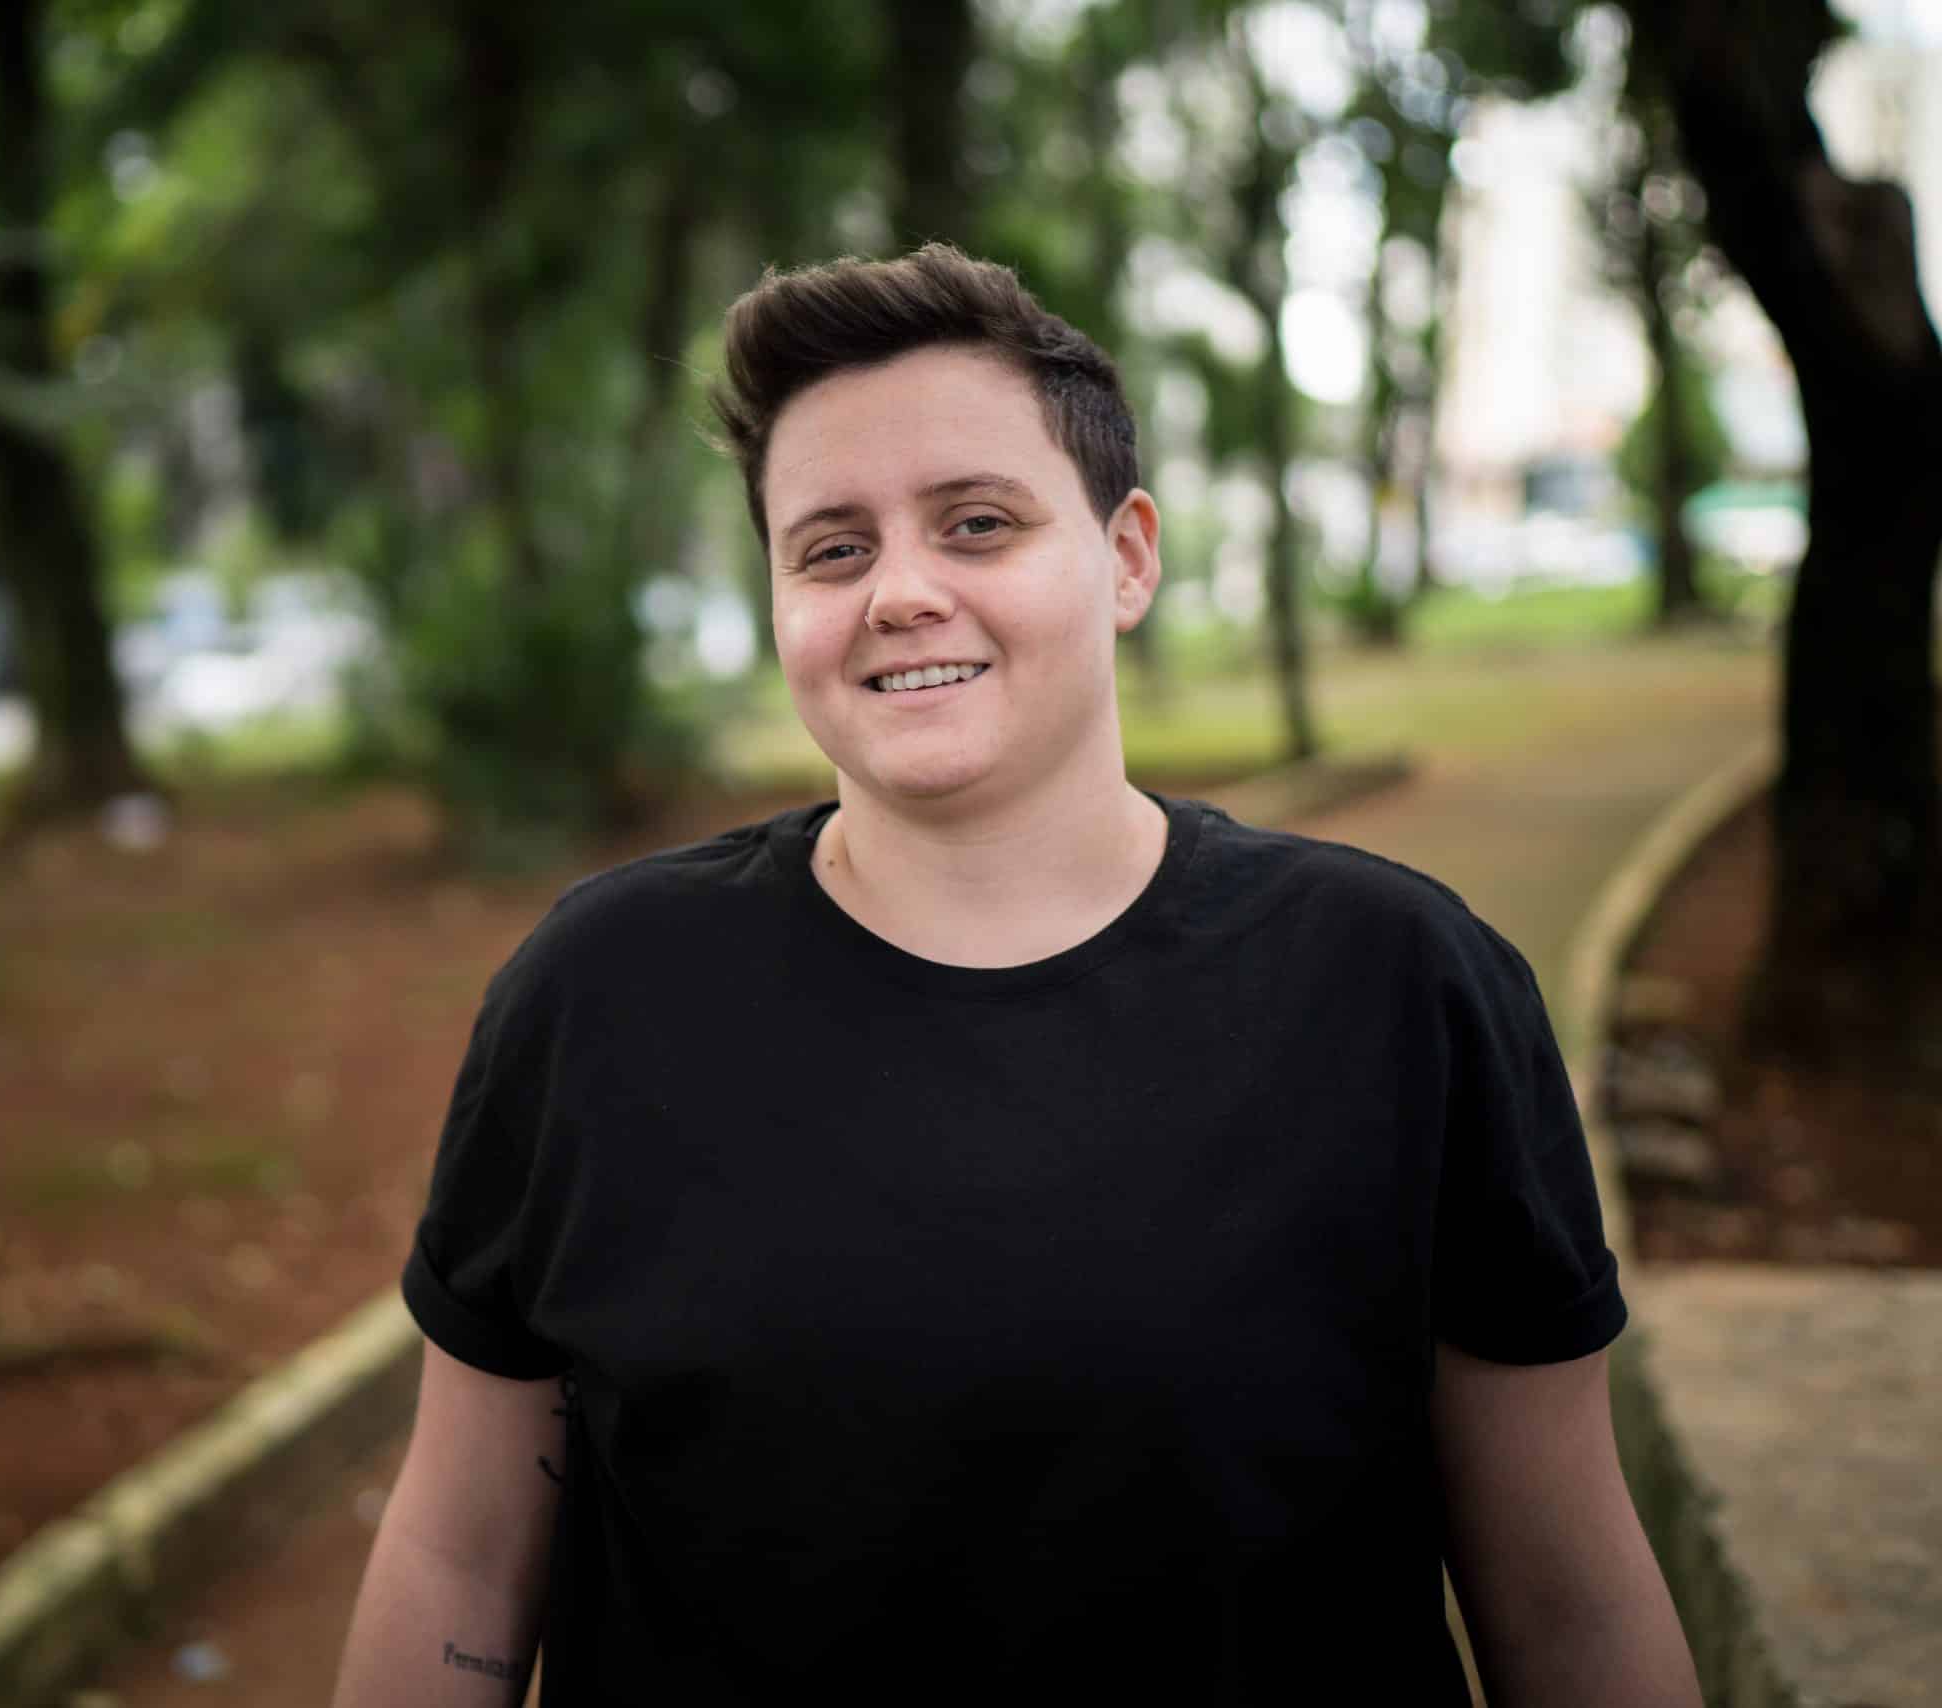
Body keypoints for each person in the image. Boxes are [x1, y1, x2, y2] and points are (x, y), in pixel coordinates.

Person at [330, 245, 1700, 1705]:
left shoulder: (1400, 986)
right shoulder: (597, 998)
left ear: (1128, 557)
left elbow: (1566, 1605)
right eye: (831, 548)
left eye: (976, 524)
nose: (899, 593)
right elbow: (460, 1559)